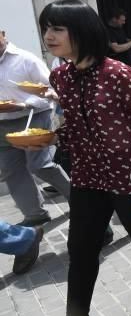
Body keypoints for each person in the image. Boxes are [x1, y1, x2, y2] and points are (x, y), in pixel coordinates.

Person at [35, 0, 131, 316]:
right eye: (47, 28)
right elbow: (71, 126)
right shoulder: (59, 77)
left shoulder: (119, 73)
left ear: (82, 31)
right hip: (88, 177)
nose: (48, 36)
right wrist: (53, 136)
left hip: (130, 178)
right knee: (81, 251)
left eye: (57, 28)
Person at [0, 32, 72, 226]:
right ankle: (34, 213)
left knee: (39, 164)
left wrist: (24, 104)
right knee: (10, 169)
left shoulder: (26, 59)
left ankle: (77, 200)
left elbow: (51, 90)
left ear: (3, 34)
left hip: (33, 117)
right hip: (2, 123)